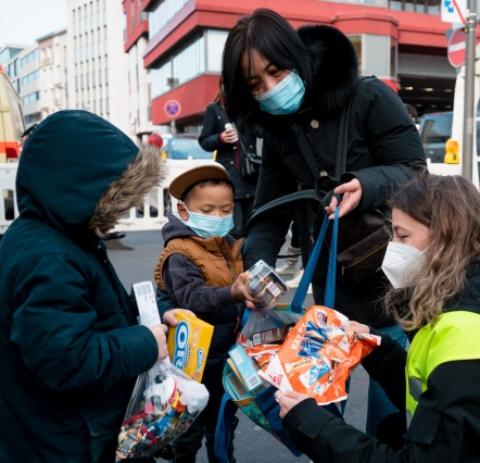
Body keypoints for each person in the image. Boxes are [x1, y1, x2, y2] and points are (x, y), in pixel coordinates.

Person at [275, 174, 480, 463]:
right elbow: (437, 396)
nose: (391, 248)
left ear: (446, 239)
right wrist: (378, 351)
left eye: (402, 236)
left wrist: (313, 424)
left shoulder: (471, 343)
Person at [221, 9, 426, 439]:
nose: (271, 89)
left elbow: (414, 169)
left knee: (395, 411)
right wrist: (257, 270)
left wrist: (366, 185)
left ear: (296, 56)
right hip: (331, 295)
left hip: (393, 281)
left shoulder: (367, 96)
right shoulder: (278, 129)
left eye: (276, 72)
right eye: (256, 85)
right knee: (318, 411)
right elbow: (270, 211)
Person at [0, 110, 174, 461]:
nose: (124, 208)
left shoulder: (55, 235)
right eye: (117, 193)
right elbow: (66, 360)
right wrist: (145, 341)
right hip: (64, 440)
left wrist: (156, 313)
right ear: (81, 184)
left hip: (47, 429)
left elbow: (90, 313)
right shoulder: (51, 257)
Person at [154, 164, 256, 462]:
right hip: (191, 361)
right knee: (189, 429)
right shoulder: (178, 252)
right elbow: (192, 298)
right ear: (183, 211)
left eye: (225, 210)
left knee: (223, 423)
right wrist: (232, 293)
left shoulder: (229, 245)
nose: (219, 217)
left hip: (227, 355)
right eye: (208, 210)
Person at [199, 90, 259, 238]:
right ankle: (232, 260)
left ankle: (247, 260)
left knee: (252, 228)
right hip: (228, 177)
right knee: (234, 230)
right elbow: (204, 141)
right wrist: (220, 138)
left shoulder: (249, 108)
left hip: (251, 174)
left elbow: (261, 132)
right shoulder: (214, 109)